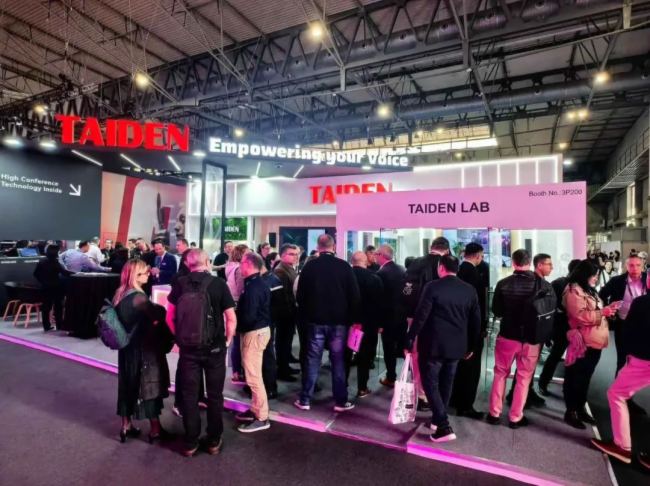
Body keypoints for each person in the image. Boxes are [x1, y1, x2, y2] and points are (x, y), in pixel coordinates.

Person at [166, 249, 237, 457]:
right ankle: (213, 440)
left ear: (187, 264)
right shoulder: (218, 284)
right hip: (215, 348)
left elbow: (169, 317)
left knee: (189, 395)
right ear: (207, 262)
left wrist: (180, 338)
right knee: (215, 395)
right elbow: (231, 318)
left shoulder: (179, 284)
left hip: (188, 350)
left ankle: (190, 442)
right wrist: (227, 340)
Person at [405, 255, 481, 442]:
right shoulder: (469, 290)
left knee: (430, 383)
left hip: (433, 345)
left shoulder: (432, 287)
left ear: (441, 268)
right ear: (457, 269)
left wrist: (410, 338)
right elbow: (476, 320)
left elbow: (421, 315)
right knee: (447, 383)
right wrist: (472, 345)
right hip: (457, 345)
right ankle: (437, 420)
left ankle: (444, 425)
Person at [486, 250, 555, 429]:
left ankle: (494, 413)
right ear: (530, 262)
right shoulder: (543, 285)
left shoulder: (503, 284)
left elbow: (497, 311)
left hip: (507, 336)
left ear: (513, 262)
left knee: (500, 373)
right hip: (531, 339)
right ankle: (515, 417)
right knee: (524, 378)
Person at [294, 234, 360, 412]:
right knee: (338, 361)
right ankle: (340, 401)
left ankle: (305, 399)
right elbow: (354, 296)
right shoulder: (344, 266)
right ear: (334, 246)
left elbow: (300, 296)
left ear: (318, 247)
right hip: (339, 323)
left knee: (312, 360)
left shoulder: (309, 267)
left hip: (315, 322)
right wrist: (351, 320)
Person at [114, 259, 172, 444]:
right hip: (143, 349)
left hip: (126, 349)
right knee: (149, 386)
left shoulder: (120, 294)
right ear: (135, 275)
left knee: (127, 385)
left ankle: (126, 425)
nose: (149, 274)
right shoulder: (139, 298)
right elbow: (157, 318)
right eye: (145, 272)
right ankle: (155, 429)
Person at [591, 292, 650, 470]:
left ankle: (622, 447)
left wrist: (629, 354)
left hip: (644, 359)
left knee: (616, 394)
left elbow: (628, 331)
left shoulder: (642, 302)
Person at [562, 260, 618, 429]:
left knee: (585, 378)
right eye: (594, 275)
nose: (596, 278)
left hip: (594, 341)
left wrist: (607, 310)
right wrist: (603, 312)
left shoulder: (588, 289)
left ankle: (580, 408)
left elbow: (593, 311)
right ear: (585, 275)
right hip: (583, 342)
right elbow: (579, 316)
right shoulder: (573, 290)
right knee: (575, 377)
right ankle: (571, 411)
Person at [504, 253, 555, 408]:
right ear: (539, 265)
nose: (552, 267)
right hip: (529, 333)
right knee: (524, 370)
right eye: (549, 264)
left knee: (526, 370)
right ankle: (517, 397)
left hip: (532, 332)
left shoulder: (542, 283)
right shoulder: (537, 284)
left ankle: (524, 393)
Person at [234, 252, 272, 433]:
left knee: (253, 377)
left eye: (241, 262)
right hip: (257, 331)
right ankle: (256, 409)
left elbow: (249, 316)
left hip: (254, 333)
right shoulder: (256, 283)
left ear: (249, 264)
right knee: (253, 374)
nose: (239, 266)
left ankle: (262, 417)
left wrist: (234, 325)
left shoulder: (253, 287)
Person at [451, 242, 488, 419]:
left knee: (457, 366)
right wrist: (480, 330)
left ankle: (454, 398)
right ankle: (465, 405)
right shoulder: (475, 276)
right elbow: (478, 309)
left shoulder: (457, 271)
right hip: (470, 330)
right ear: (478, 255)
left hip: (455, 328)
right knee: (471, 369)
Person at [538, 259, 582, 395]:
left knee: (571, 357)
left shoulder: (578, 285)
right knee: (556, 355)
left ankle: (565, 385)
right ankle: (543, 382)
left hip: (574, 326)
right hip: (561, 327)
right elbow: (547, 306)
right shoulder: (559, 283)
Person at [599, 254, 647, 374]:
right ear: (626, 266)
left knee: (641, 357)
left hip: (644, 325)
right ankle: (619, 381)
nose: (635, 268)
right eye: (631, 265)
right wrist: (608, 309)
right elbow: (600, 295)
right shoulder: (617, 281)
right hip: (623, 323)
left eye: (638, 265)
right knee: (622, 357)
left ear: (643, 266)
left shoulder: (648, 279)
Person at [349, 251, 383, 397]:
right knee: (365, 356)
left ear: (352, 261)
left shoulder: (345, 277)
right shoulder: (374, 278)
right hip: (368, 324)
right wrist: (380, 324)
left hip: (348, 323)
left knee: (345, 355)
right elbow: (379, 304)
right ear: (365, 262)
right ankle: (362, 387)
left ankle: (342, 387)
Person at [376, 244, 407, 387]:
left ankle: (391, 377)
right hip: (402, 316)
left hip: (388, 318)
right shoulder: (402, 269)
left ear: (382, 255)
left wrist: (379, 323)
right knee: (403, 348)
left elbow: (379, 300)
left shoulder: (381, 274)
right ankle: (409, 376)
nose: (375, 256)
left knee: (389, 349)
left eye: (376, 254)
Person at [273, 243, 301, 381]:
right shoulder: (281, 271)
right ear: (282, 255)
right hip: (284, 313)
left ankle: (286, 365)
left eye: (296, 254)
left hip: (290, 311)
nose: (295, 257)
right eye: (291, 254)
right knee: (282, 341)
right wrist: (290, 312)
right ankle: (282, 370)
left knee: (287, 340)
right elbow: (284, 296)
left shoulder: (289, 268)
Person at [33, 244, 73, 331]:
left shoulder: (41, 261)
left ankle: (46, 326)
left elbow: (35, 274)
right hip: (56, 287)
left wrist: (42, 281)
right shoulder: (55, 262)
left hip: (45, 288)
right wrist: (75, 273)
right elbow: (64, 272)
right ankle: (59, 325)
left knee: (46, 308)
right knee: (58, 307)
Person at [226, 244, 249, 384]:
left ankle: (235, 371)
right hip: (239, 306)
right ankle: (238, 372)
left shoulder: (229, 266)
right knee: (240, 341)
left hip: (233, 305)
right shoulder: (239, 269)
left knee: (236, 341)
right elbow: (242, 290)